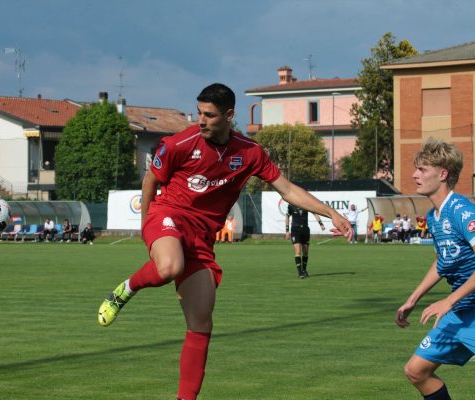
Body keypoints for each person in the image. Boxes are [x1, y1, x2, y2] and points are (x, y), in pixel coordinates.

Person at [97, 83, 352, 400]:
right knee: (168, 266)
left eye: (209, 115)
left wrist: (330, 213)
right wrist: (146, 223)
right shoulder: (180, 143)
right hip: (169, 217)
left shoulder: (249, 152)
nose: (201, 120)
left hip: (202, 239)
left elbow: (286, 189)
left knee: (201, 323)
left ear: (229, 116)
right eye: (199, 112)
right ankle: (127, 288)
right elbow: (150, 180)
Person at [395, 138, 475, 400]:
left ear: (442, 174)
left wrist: (448, 301)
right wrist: (413, 299)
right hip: (462, 309)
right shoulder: (433, 216)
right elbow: (444, 261)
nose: (415, 175)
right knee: (417, 371)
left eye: (422, 169)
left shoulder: (463, 212)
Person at [285, 204, 325, 278]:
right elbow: (287, 216)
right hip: (295, 229)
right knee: (298, 252)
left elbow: (315, 213)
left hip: (305, 230)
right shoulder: (291, 205)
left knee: (305, 252)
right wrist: (287, 230)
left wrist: (321, 224)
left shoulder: (305, 204)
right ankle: (300, 272)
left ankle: (304, 270)